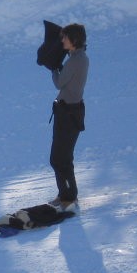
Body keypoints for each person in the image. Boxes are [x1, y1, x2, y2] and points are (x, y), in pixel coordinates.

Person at [49, 24, 89, 213]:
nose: (62, 40)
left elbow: (59, 83)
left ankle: (68, 196)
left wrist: (54, 68)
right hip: (71, 112)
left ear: (73, 40)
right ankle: (65, 194)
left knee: (59, 158)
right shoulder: (79, 57)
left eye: (64, 37)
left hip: (67, 114)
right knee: (62, 157)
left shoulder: (74, 61)